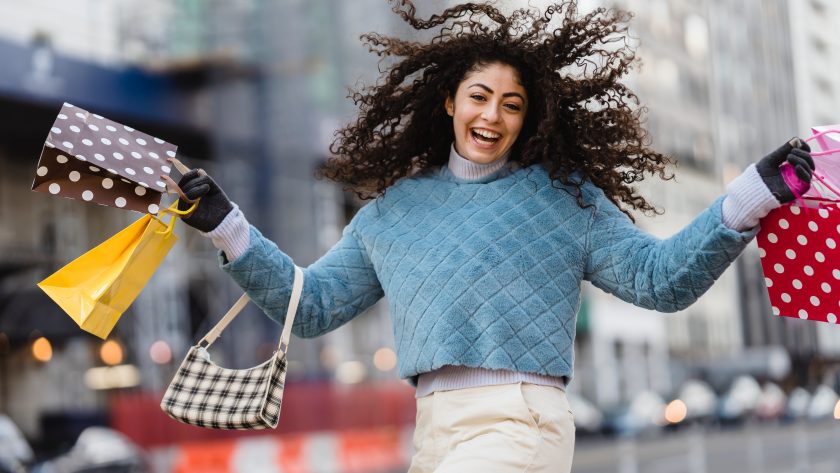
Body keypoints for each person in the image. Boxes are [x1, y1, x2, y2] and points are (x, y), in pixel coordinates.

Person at [173, 1, 813, 471]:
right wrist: (227, 227)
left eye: (512, 104)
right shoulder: (394, 211)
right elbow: (310, 308)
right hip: (433, 434)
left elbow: (661, 281)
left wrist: (750, 195)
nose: (493, 115)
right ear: (450, 101)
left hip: (523, 422)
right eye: (481, 96)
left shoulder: (563, 201)